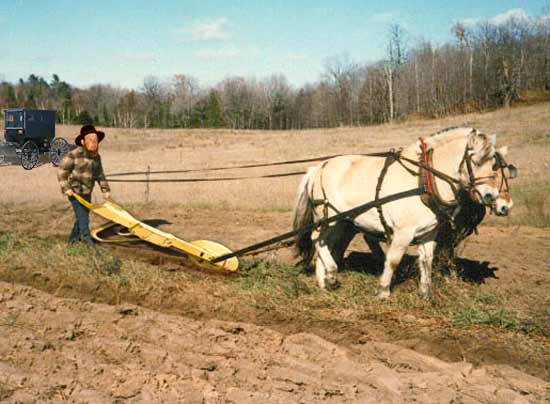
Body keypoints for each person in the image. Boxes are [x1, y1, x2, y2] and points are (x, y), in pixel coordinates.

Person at [57, 124, 111, 246]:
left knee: (82, 216)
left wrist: (105, 190)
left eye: (95, 140)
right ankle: (88, 242)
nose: (93, 143)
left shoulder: (96, 157)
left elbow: (100, 175)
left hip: (87, 192)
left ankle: (72, 240)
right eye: (90, 140)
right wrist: (66, 188)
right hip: (74, 192)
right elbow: (61, 171)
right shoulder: (73, 155)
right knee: (83, 218)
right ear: (83, 141)